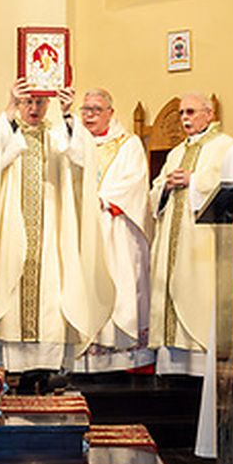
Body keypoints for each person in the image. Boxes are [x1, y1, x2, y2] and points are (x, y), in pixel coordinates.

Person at [0, 78, 109, 389]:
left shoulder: (58, 135)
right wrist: (9, 107)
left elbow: (83, 157)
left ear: (48, 104)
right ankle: (19, 372)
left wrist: (68, 114)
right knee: (13, 295)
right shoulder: (8, 132)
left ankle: (45, 371)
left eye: (40, 102)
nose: (34, 108)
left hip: (52, 231)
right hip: (14, 231)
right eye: (28, 102)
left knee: (52, 297)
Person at [147, 93, 233, 457]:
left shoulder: (224, 146)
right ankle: (174, 365)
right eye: (182, 112)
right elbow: (155, 191)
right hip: (173, 235)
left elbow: (226, 186)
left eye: (191, 111)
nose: (185, 117)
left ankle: (199, 366)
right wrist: (165, 186)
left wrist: (194, 180)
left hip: (201, 242)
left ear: (209, 114)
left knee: (196, 293)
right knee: (171, 289)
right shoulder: (176, 152)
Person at [72, 88, 153, 372]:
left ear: (110, 113)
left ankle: (120, 355)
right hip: (81, 228)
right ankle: (84, 355)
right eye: (85, 110)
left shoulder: (128, 144)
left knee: (118, 284)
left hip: (114, 226)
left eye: (96, 110)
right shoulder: (75, 143)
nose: (89, 116)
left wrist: (102, 200)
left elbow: (134, 182)